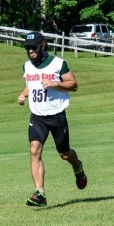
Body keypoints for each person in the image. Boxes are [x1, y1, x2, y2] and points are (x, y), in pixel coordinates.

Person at [16, 31, 87, 206]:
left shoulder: (58, 64)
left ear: (42, 46)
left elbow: (74, 85)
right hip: (37, 116)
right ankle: (40, 194)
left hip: (56, 115)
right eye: (27, 48)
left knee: (64, 154)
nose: (30, 51)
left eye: (33, 48)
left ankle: (78, 167)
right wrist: (23, 94)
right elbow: (31, 84)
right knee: (34, 150)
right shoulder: (27, 66)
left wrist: (56, 84)